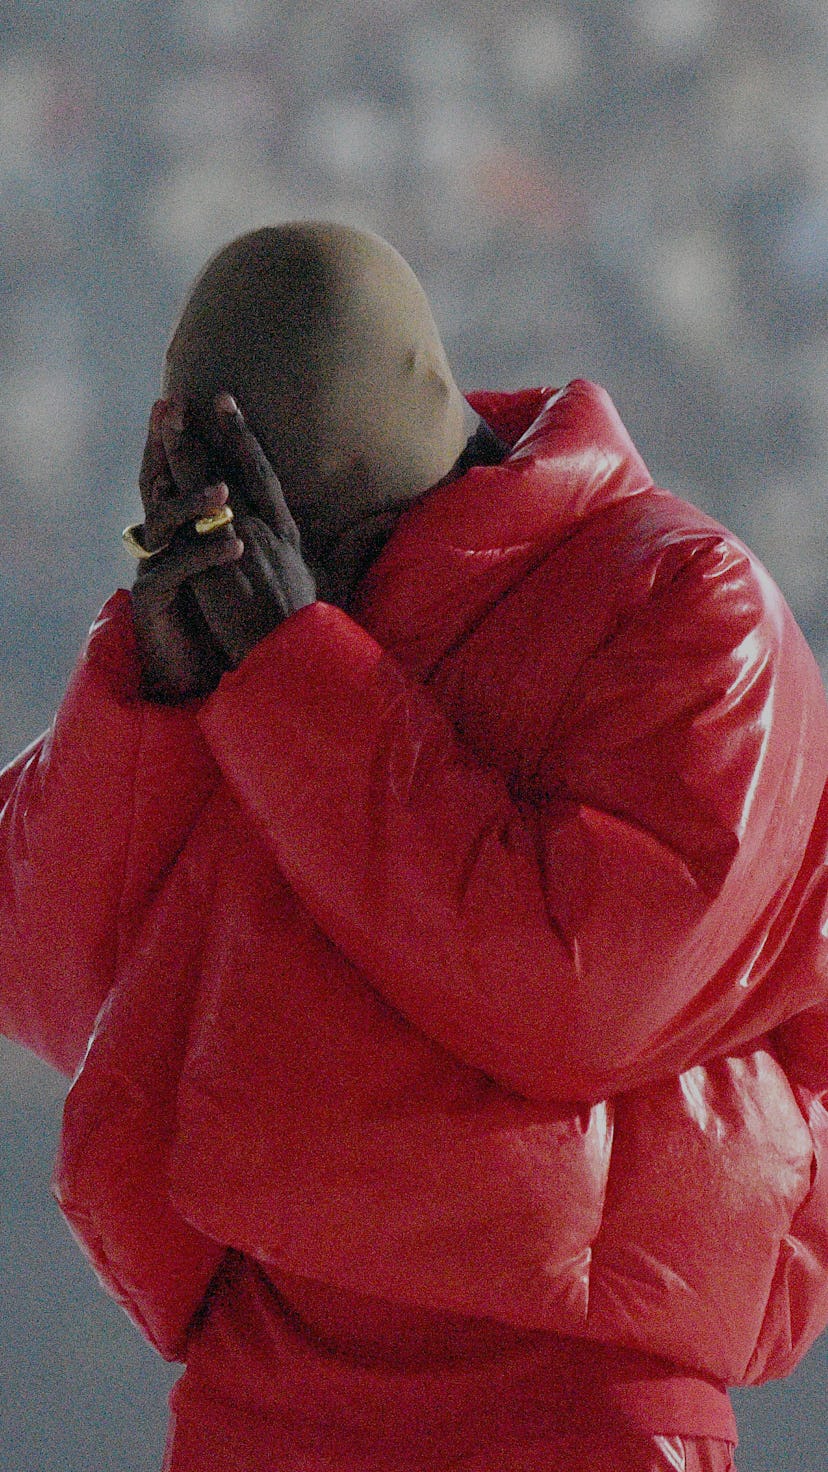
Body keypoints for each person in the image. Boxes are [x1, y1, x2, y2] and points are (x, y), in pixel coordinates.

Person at [2, 222, 828, 1472]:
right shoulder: (250, 628)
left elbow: (576, 991)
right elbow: (52, 981)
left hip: (577, 1410)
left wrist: (297, 667)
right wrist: (156, 700)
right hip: (256, 1393)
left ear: (373, 483)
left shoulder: (691, 604)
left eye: (320, 546)